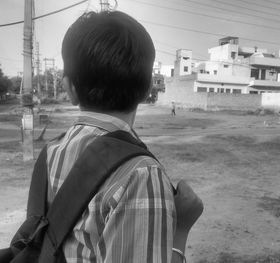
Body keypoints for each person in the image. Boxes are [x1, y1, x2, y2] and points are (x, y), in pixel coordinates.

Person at [48, 11, 203, 263]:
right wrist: (181, 230)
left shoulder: (51, 152)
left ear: (68, 89)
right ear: (146, 89)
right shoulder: (139, 176)